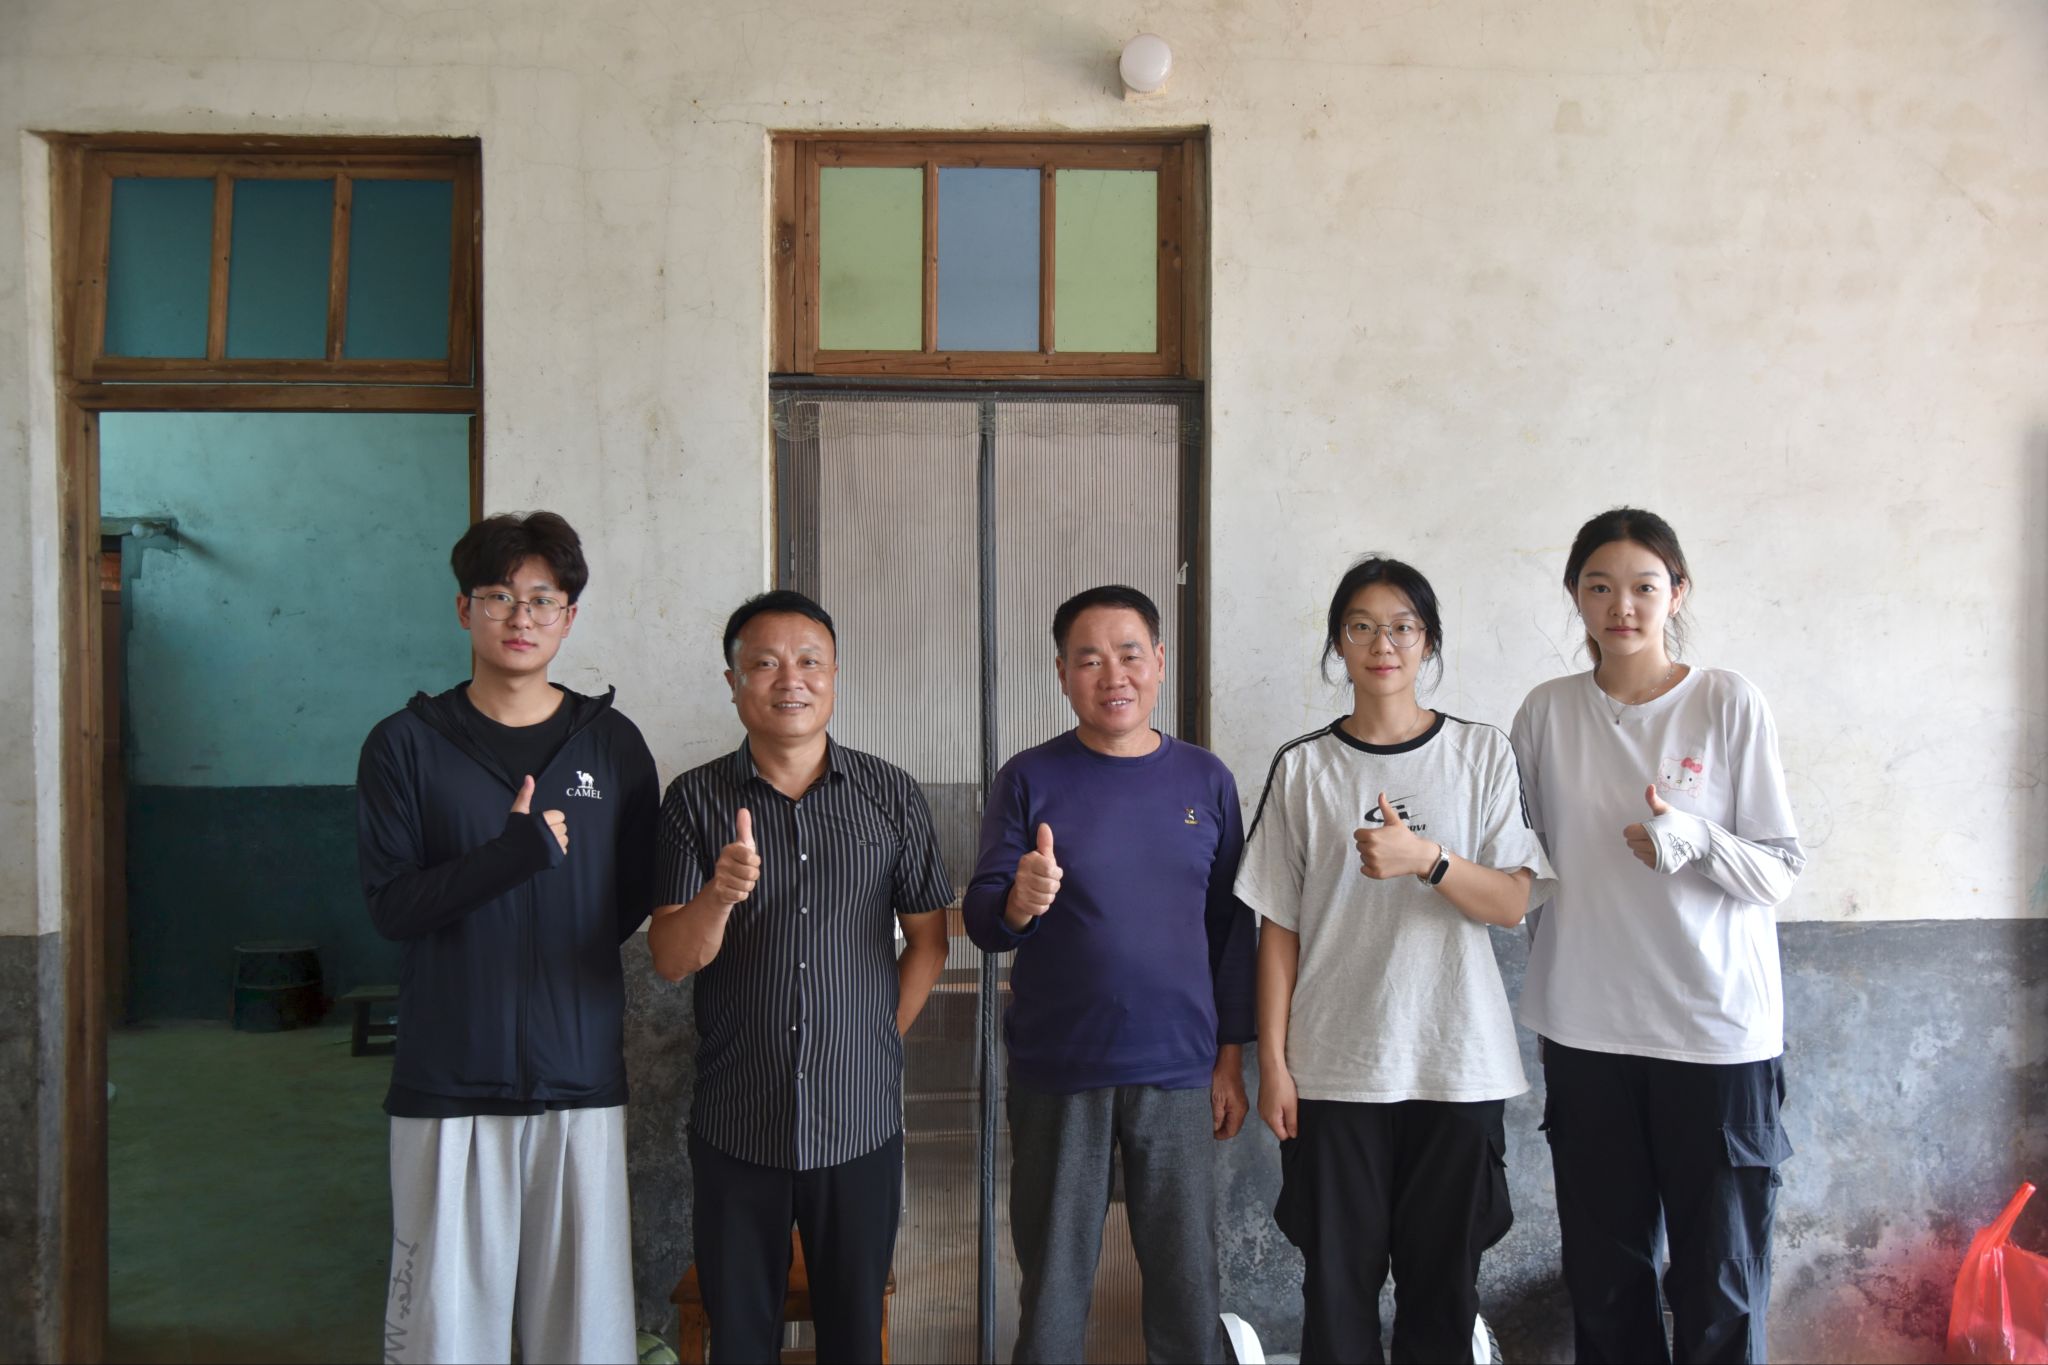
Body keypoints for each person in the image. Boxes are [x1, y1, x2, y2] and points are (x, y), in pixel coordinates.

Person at [357, 511, 659, 1365]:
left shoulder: (612, 745)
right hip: (449, 1080)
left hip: (579, 1078)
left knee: (585, 1338)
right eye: (498, 596)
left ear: (569, 616)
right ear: (464, 609)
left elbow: (627, 899)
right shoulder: (405, 746)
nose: (520, 616)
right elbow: (393, 907)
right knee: (443, 1337)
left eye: (542, 598)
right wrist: (510, 857)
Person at [1236, 555, 1550, 1365]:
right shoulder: (1304, 766)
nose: (1384, 644)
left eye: (1404, 627)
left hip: (1458, 1066)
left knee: (1443, 1293)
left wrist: (1427, 860)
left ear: (1429, 640)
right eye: (1363, 627)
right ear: (1338, 643)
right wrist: (1273, 1063)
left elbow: (1511, 902)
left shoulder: (1480, 753)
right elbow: (1278, 928)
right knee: (1335, 1293)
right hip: (1334, 1071)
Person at [1511, 508, 1805, 1365]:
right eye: (1599, 586)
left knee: (1719, 1283)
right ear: (1576, 595)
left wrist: (1698, 838)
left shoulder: (1725, 701)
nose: (1622, 606)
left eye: (1643, 586)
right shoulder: (1546, 713)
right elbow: (1522, 864)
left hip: (1714, 1034)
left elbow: (1780, 869)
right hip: (1587, 1031)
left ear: (1677, 593)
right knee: (1605, 1280)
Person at [649, 589, 952, 1365]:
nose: (791, 679)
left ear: (835, 674)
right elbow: (671, 957)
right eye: (765, 663)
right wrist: (719, 895)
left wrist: (877, 1035)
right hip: (736, 1120)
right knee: (740, 1339)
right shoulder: (693, 800)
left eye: (810, 660)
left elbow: (929, 939)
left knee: (853, 1336)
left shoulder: (890, 794)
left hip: (859, 1121)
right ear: (733, 681)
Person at [963, 584, 1257, 1365]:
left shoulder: (1206, 780)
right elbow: (985, 917)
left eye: (1129, 654)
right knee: (1054, 1288)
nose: (1113, 674)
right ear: (1062, 673)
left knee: (1187, 1284)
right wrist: (1020, 899)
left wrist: (1230, 1058)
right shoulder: (1029, 777)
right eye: (1089, 659)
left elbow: (1231, 929)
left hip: (1180, 1068)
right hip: (1061, 1069)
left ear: (1158, 661)